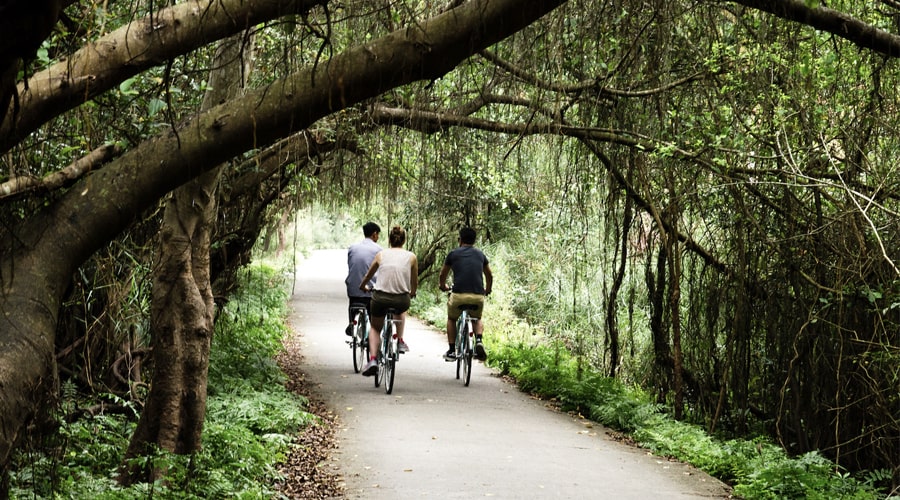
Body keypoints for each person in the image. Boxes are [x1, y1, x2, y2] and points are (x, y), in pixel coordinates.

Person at [358, 226, 418, 377]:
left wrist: (363, 286)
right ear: (404, 240)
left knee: (375, 328)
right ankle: (400, 340)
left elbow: (368, 275)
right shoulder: (411, 257)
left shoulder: (381, 255)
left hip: (380, 298)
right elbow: (414, 281)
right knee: (401, 309)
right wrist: (412, 292)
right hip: (401, 299)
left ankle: (372, 360)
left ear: (389, 239)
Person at [438, 227, 492, 361]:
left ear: (460, 240)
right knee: (477, 318)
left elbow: (442, 274)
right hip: (477, 296)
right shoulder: (480, 255)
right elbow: (489, 275)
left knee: (451, 318)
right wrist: (488, 289)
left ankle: (451, 350)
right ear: (474, 241)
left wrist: (443, 286)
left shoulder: (453, 254)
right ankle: (478, 340)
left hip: (458, 296)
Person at [345, 222, 381, 336]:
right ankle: (374, 336)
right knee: (374, 319)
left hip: (353, 290)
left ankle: (351, 322)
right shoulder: (379, 250)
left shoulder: (352, 248)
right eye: (378, 235)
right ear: (374, 234)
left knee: (353, 304)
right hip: (370, 292)